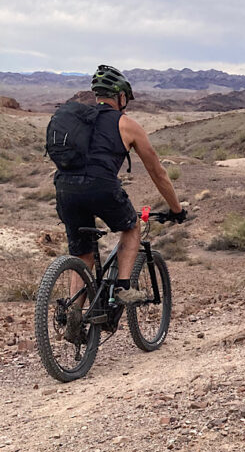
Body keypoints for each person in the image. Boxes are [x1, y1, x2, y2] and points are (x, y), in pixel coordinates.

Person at [53, 64, 186, 340]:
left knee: (83, 254)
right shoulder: (127, 124)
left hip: (65, 188)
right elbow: (158, 173)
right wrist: (176, 209)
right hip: (101, 187)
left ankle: (74, 316)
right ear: (121, 97)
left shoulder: (81, 120)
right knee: (132, 227)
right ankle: (123, 287)